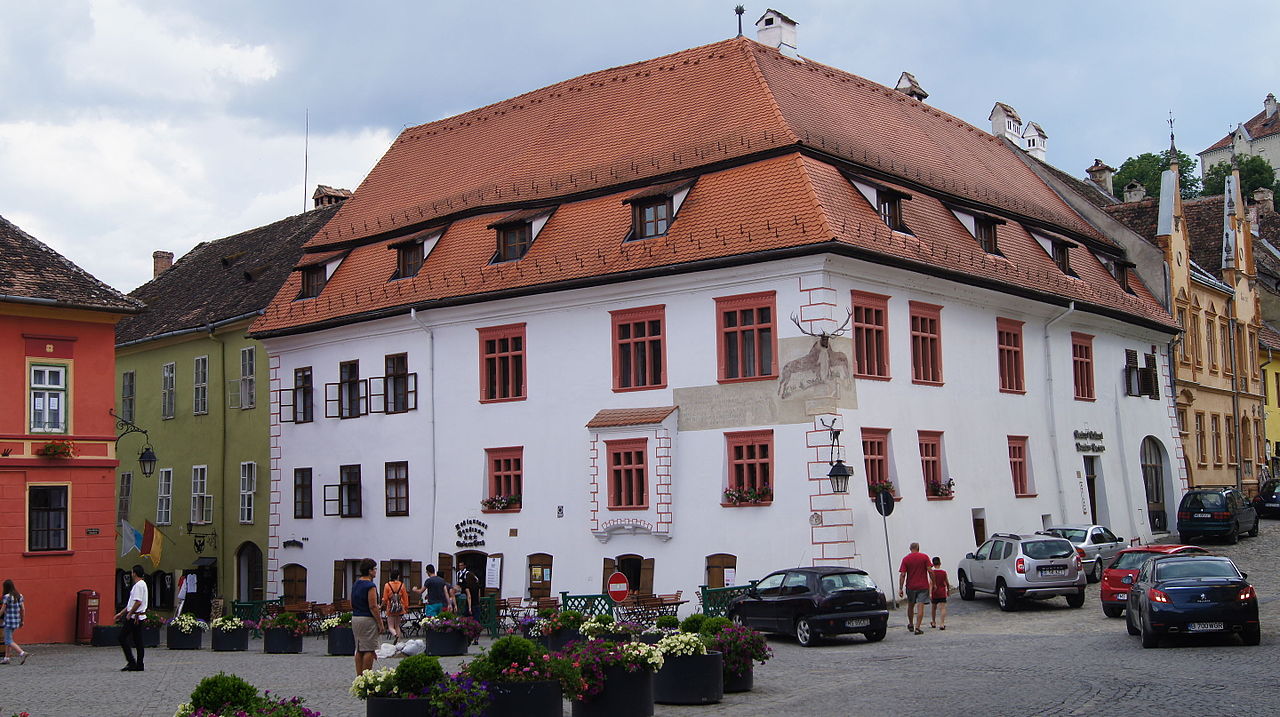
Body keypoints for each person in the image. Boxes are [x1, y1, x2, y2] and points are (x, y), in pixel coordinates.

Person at [351, 558, 385, 676]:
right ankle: (366, 677)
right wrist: (380, 623)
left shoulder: (356, 583)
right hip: (367, 619)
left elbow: (352, 602)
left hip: (356, 617)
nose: (376, 571)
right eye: (374, 569)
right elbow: (373, 606)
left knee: (359, 649)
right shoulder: (370, 585)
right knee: (369, 649)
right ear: (370, 571)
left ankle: (359, 677)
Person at [114, 565, 149, 671]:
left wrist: (130, 613)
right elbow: (131, 603)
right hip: (138, 616)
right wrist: (121, 613)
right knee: (138, 640)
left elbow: (138, 602)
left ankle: (132, 661)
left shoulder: (138, 585)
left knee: (122, 637)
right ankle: (139, 664)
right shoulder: (142, 584)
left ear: (134, 573)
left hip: (135, 617)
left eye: (132, 572)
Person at [898, 542, 931, 635]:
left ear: (910, 548)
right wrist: (934, 582)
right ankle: (918, 627)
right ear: (918, 548)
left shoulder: (906, 559)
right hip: (923, 586)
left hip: (911, 586)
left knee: (910, 605)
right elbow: (930, 571)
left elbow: (903, 574)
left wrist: (900, 588)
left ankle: (911, 623)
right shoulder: (924, 557)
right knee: (920, 606)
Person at [1, 579, 28, 665]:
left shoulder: (6, 597)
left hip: (8, 621)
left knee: (8, 640)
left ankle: (22, 653)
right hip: (16, 621)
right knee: (9, 639)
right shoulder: (19, 596)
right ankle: (6, 658)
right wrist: (22, 620)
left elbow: (2, 610)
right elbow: (23, 609)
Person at [382, 569, 409, 642]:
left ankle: (395, 635)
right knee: (397, 626)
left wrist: (382, 605)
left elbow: (385, 598)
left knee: (390, 626)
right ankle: (398, 642)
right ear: (398, 576)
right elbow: (405, 597)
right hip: (400, 608)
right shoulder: (402, 585)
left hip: (390, 608)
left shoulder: (387, 585)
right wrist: (406, 607)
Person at [928, 556, 949, 630]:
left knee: (934, 608)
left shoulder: (932, 573)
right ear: (940, 563)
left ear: (933, 564)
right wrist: (948, 589)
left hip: (935, 592)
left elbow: (931, 583)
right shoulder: (943, 572)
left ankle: (933, 622)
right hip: (942, 592)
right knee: (942, 608)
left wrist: (930, 593)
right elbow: (946, 582)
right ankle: (942, 624)